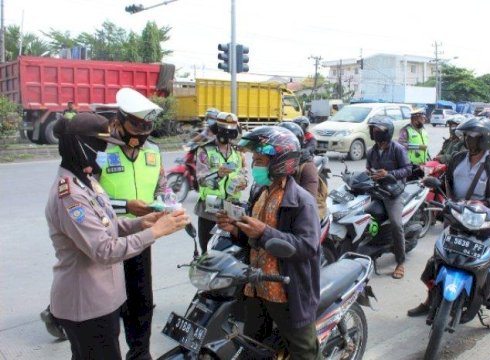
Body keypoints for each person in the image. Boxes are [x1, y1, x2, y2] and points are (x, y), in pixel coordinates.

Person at [44, 113, 188, 360]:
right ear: (82, 145)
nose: (105, 153)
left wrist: (140, 223)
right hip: (86, 303)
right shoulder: (70, 194)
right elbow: (104, 250)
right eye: (101, 146)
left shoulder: (86, 180)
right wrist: (154, 232)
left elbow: (107, 223)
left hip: (102, 299)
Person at [215, 126, 321, 359]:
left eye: (260, 160)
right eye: (255, 160)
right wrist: (234, 229)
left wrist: (264, 232)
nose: (255, 166)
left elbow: (307, 247)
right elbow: (254, 239)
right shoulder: (261, 192)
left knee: (304, 352)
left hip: (287, 291)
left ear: (280, 162)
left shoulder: (302, 201)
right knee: (254, 347)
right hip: (257, 287)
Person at [407, 117, 490, 333]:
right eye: (467, 137)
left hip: (482, 222)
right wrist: (434, 185)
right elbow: (446, 183)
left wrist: (484, 203)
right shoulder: (458, 158)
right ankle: (428, 301)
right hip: (457, 218)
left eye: (474, 137)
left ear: (485, 140)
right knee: (437, 259)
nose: (469, 141)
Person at [97, 87, 171, 360]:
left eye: (147, 128)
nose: (140, 134)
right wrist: (125, 206)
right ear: (119, 121)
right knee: (108, 303)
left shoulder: (153, 151)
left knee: (141, 299)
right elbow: (90, 197)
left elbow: (164, 189)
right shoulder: (100, 149)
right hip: (107, 237)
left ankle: (140, 353)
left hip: (142, 236)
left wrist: (169, 208)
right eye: (135, 126)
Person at [366, 115, 412, 279]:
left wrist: (389, 173)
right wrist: (369, 174)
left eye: (378, 130)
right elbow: (368, 167)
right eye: (373, 130)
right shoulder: (372, 151)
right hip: (376, 191)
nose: (375, 132)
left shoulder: (397, 149)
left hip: (393, 192)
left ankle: (400, 262)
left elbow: (407, 169)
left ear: (387, 132)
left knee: (396, 224)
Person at [194, 112, 247, 253]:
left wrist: (243, 182)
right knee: (207, 252)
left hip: (231, 209)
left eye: (231, 133)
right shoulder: (205, 150)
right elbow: (201, 179)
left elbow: (243, 173)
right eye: (225, 132)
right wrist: (218, 174)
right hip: (210, 210)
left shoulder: (237, 152)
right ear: (217, 131)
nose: (227, 137)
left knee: (232, 251)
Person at [399, 108, 430, 180]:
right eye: (422, 119)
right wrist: (418, 147)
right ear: (415, 119)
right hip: (411, 165)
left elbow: (425, 145)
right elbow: (400, 145)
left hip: (422, 164)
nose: (424, 120)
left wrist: (428, 159)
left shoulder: (423, 129)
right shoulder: (406, 130)